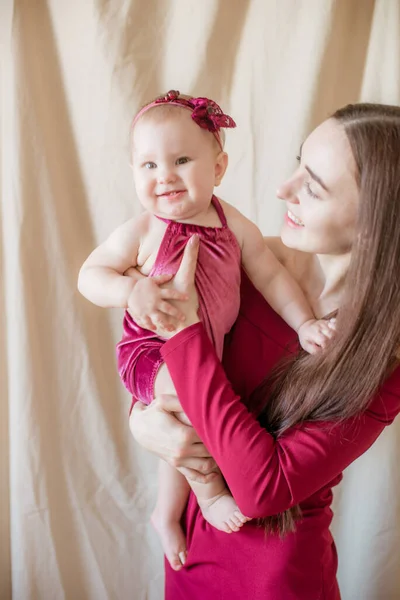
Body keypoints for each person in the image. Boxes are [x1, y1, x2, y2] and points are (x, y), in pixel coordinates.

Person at [121, 103, 400, 600]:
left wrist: (185, 335)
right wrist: (142, 418)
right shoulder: (235, 257)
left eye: (312, 187)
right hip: (192, 541)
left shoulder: (384, 359)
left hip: (274, 573)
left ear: (376, 224)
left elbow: (263, 489)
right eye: (298, 165)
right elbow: (152, 354)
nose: (282, 190)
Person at [78, 91, 332, 570]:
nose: (165, 176)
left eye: (181, 160)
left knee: (188, 421)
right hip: (149, 349)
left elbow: (272, 276)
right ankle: (211, 496)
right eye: (148, 165)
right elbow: (89, 276)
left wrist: (306, 324)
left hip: (204, 353)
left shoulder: (230, 222)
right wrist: (131, 293)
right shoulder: (143, 231)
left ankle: (165, 512)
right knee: (193, 407)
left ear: (218, 169)